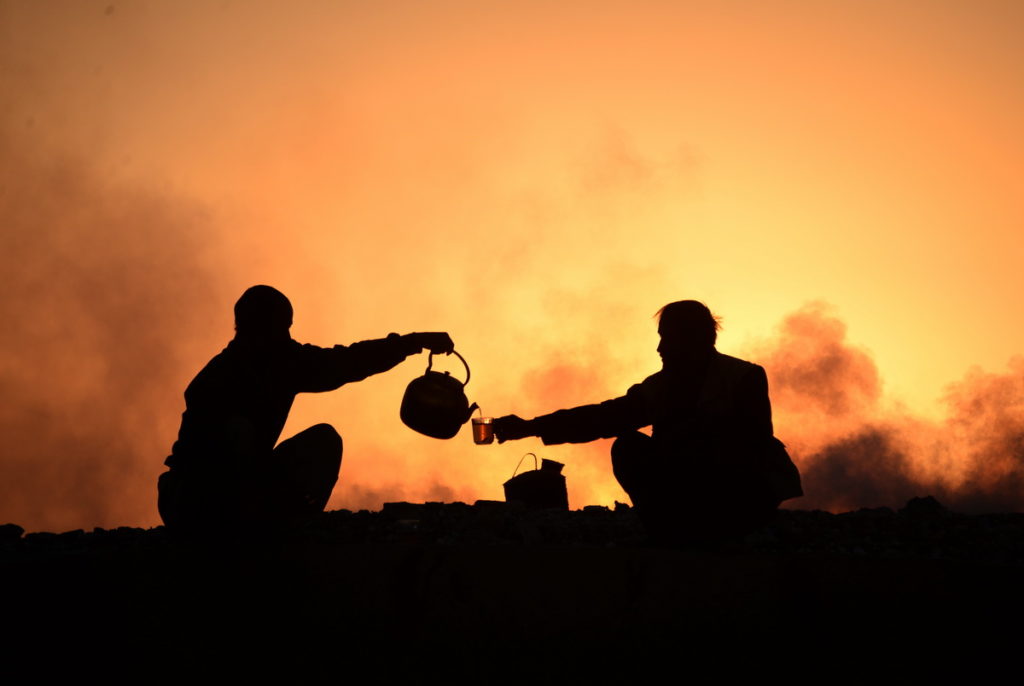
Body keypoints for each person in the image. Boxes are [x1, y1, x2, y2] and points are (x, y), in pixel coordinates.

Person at [494, 300, 801, 545]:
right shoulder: (660, 388)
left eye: (667, 338)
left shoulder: (744, 378)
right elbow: (604, 417)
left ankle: (694, 531)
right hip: (688, 492)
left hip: (738, 496)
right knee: (628, 445)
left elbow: (753, 447)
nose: (660, 349)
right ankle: (672, 532)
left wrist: (691, 439)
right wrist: (530, 427)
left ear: (692, 339)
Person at [158, 285, 454, 534]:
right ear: (259, 329)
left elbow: (346, 362)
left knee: (323, 440)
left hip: (229, 493)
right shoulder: (219, 379)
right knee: (239, 434)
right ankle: (273, 531)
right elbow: (207, 459)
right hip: (194, 500)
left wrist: (412, 343)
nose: (287, 337)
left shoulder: (283, 363)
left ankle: (277, 523)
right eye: (281, 329)